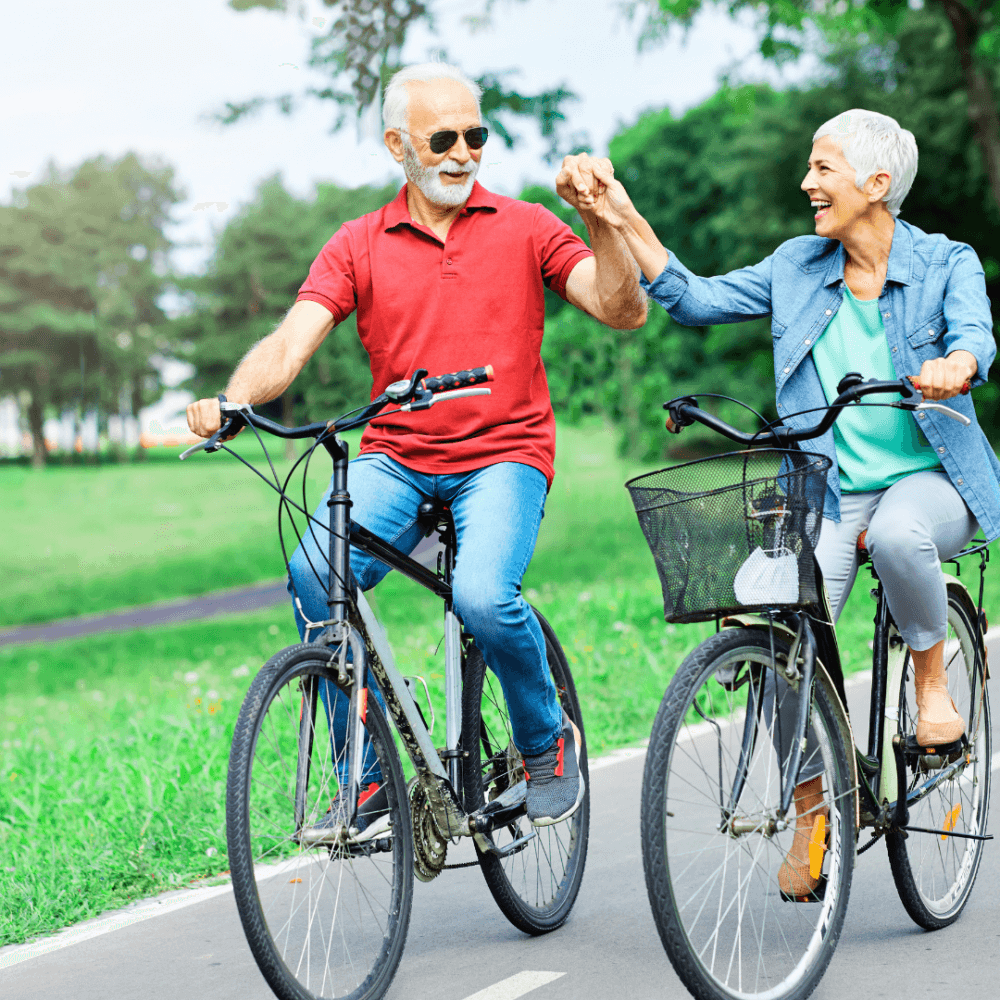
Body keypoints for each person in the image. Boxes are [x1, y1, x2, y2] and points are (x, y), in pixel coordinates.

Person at [186, 62, 646, 827]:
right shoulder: (358, 243)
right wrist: (233, 400)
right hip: (397, 456)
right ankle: (366, 779)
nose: (465, 153)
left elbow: (619, 307)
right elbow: (290, 344)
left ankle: (544, 740)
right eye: (445, 138)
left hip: (505, 454)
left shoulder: (528, 224)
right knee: (313, 572)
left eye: (477, 135)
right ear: (399, 145)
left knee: (481, 597)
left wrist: (599, 220)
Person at [571, 109, 998, 893]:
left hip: (930, 480)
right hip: (828, 487)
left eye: (823, 168)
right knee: (779, 629)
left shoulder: (945, 262)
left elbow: (977, 333)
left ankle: (932, 683)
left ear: (876, 185)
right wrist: (619, 213)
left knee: (903, 537)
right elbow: (694, 299)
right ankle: (814, 807)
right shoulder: (798, 266)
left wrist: (957, 362)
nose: (807, 182)